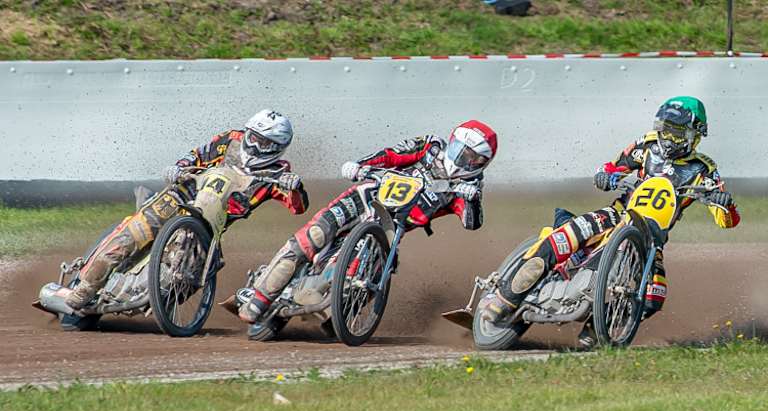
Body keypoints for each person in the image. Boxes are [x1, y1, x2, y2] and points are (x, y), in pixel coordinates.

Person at [484, 96, 741, 346]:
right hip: (616, 214)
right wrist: (607, 177)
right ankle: (504, 298)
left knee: (653, 298)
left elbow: (727, 221)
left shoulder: (704, 169)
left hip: (654, 239)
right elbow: (609, 168)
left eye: (676, 132)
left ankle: (597, 328)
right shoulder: (645, 146)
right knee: (566, 236)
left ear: (695, 135)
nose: (668, 138)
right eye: (665, 130)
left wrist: (723, 201)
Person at [238, 120, 498, 335]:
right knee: (315, 234)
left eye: (474, 159)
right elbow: (392, 154)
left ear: (482, 163)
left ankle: (339, 308)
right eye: (462, 151)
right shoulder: (431, 147)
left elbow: (471, 223)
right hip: (366, 195)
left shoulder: (471, 185)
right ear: (452, 141)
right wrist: (362, 166)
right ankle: (260, 296)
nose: (465, 160)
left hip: (392, 228)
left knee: (372, 272)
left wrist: (472, 198)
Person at [65, 110, 308, 310]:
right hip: (180, 196)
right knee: (130, 235)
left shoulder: (279, 173)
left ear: (278, 147)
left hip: (211, 227)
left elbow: (298, 207)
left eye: (263, 142)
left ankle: (155, 302)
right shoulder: (230, 139)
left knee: (193, 274)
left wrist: (295, 187)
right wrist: (178, 167)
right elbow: (197, 156)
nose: (254, 144)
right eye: (253, 137)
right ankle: (84, 287)